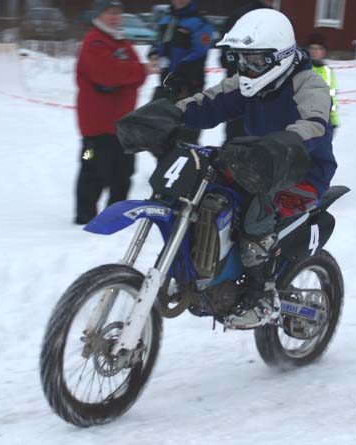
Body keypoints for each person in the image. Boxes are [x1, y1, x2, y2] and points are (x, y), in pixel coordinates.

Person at [117, 9, 336, 329]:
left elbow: (314, 125)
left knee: (256, 214)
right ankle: (202, 269)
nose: (247, 68)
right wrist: (169, 117)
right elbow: (208, 103)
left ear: (282, 57)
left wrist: (285, 141)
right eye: (241, 59)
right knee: (205, 196)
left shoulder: (308, 84)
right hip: (254, 162)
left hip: (300, 170)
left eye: (256, 61)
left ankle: (260, 296)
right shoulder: (246, 83)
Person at [74, 0, 159, 225]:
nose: (114, 17)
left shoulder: (121, 41)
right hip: (96, 127)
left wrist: (130, 75)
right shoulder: (95, 41)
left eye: (117, 13)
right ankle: (84, 218)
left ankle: (115, 218)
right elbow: (106, 75)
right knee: (92, 170)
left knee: (123, 173)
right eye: (109, 13)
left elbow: (130, 76)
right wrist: (136, 72)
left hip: (122, 125)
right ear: (99, 15)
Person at [148, 0, 214, 143]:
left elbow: (200, 53)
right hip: (166, 85)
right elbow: (159, 42)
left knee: (186, 137)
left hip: (189, 87)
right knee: (161, 136)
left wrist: (181, 73)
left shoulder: (200, 23)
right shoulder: (166, 18)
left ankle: (190, 162)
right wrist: (154, 52)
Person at [219, 0, 274, 140]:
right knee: (236, 135)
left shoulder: (276, 18)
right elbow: (226, 55)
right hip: (241, 87)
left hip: (268, 88)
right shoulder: (241, 16)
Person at [307, 32, 340, 130]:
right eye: (312, 48)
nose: (315, 51)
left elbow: (332, 97)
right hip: (303, 120)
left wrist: (334, 120)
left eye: (319, 48)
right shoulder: (302, 69)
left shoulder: (329, 72)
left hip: (324, 121)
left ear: (324, 51)